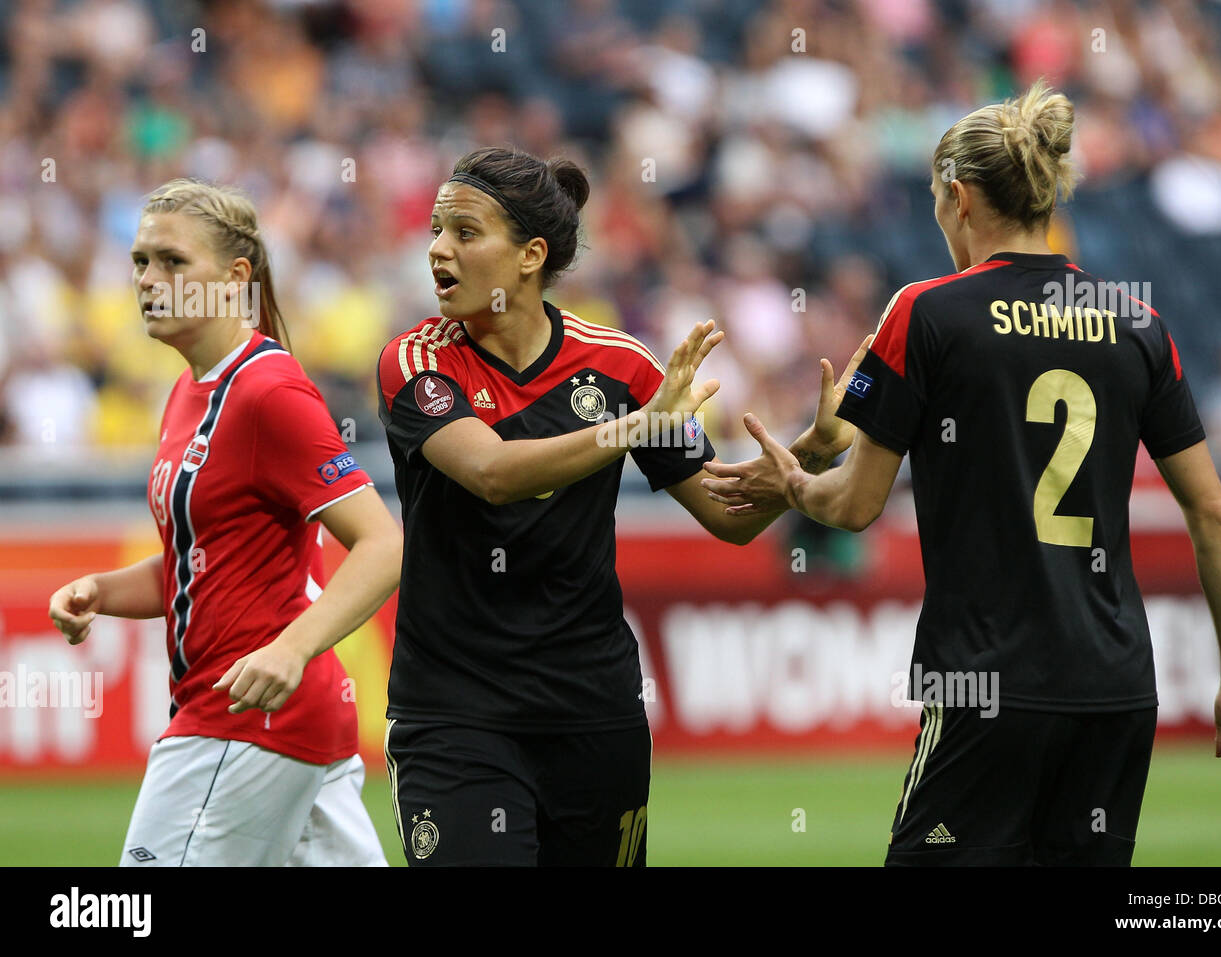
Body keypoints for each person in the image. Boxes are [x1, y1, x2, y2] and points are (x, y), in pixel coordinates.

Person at [701, 81, 1221, 866]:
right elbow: (1213, 515)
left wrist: (796, 479)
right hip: (1115, 690)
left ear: (960, 197)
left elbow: (857, 504)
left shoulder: (928, 312)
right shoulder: (1139, 324)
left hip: (986, 682)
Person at [376, 146, 869, 866]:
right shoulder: (418, 360)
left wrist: (814, 451)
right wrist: (635, 426)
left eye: (464, 232)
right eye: (435, 229)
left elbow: (729, 514)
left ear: (529, 256)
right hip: (456, 715)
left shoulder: (621, 365)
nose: (438, 250)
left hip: (594, 712)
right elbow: (491, 472)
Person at [48, 179, 403, 866]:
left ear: (235, 277)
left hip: (242, 718)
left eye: (173, 262)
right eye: (140, 262)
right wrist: (100, 589)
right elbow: (200, 560)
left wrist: (292, 648)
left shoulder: (269, 391)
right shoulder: (188, 391)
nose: (149, 280)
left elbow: (383, 543)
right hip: (289, 720)